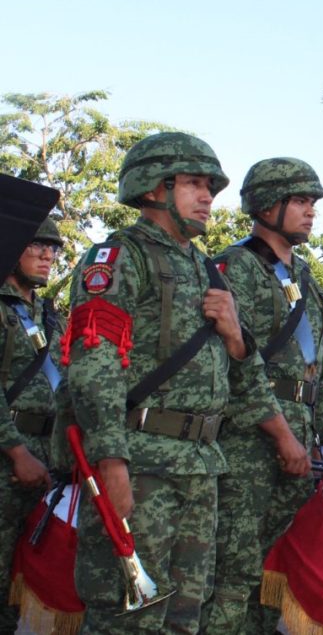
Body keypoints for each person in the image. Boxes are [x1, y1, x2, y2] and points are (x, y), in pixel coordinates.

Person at [64, 132, 268, 633]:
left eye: (211, 188)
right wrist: (111, 461)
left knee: (184, 617)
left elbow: (241, 374)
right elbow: (94, 364)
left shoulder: (207, 269)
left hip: (200, 466)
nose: (207, 197)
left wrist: (236, 336)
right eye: (194, 184)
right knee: (127, 616)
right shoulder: (118, 258)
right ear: (155, 187)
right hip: (141, 463)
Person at [203, 157, 323, 634]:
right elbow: (234, 365)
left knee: (276, 567)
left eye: (312, 202)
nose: (311, 211)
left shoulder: (304, 275)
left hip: (300, 438)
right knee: (234, 570)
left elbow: (320, 371)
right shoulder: (235, 267)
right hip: (249, 442)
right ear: (266, 205)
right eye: (300, 201)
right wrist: (281, 436)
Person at [0, 218, 66, 632]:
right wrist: (17, 452)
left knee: (24, 578)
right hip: (9, 457)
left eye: (53, 248)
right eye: (36, 245)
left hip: (47, 457)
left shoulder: (48, 313)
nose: (47, 255)